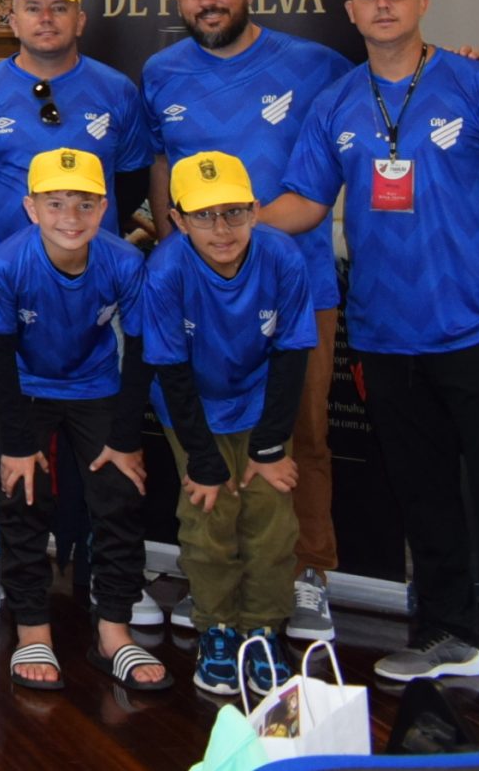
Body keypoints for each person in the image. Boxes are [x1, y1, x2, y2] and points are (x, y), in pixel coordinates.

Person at [269, 0, 479, 718]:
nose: (382, 4)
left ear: (421, 1)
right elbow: (304, 201)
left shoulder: (476, 84)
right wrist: (219, 226)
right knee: (423, 493)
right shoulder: (337, 103)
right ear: (350, 12)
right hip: (385, 336)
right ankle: (447, 634)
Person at [143, 0, 353, 642]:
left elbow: (385, 91)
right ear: (179, 0)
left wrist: (459, 59)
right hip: (194, 292)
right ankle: (221, 589)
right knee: (205, 436)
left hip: (294, 285)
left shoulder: (316, 65)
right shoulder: (161, 71)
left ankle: (307, 575)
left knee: (302, 432)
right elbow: (162, 165)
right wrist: (177, 240)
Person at [0, 0, 153, 618]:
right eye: (33, 6)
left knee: (105, 428)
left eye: (59, 7)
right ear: (13, 18)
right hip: (9, 291)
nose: (46, 17)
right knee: (9, 425)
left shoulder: (117, 90)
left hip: (98, 289)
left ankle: (110, 572)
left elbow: (137, 178)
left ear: (80, 19)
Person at [0, 149, 164, 693]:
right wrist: (14, 444)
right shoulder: (5, 264)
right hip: (27, 387)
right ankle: (33, 629)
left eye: (84, 204)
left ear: (104, 207)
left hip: (96, 384)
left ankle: (113, 630)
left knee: (120, 494)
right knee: (20, 496)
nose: (70, 217)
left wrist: (126, 439)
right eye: (55, 203)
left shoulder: (125, 262)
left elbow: (144, 351)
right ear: (31, 208)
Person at [145, 152, 313, 699]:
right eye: (204, 216)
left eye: (235, 213)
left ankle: (263, 630)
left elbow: (291, 356)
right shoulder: (166, 269)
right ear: (177, 219)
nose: (222, 230)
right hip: (193, 407)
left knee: (270, 517)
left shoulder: (283, 258)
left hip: (262, 404)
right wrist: (204, 458)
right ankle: (216, 628)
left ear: (256, 211)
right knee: (208, 515)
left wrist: (269, 446)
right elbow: (170, 369)